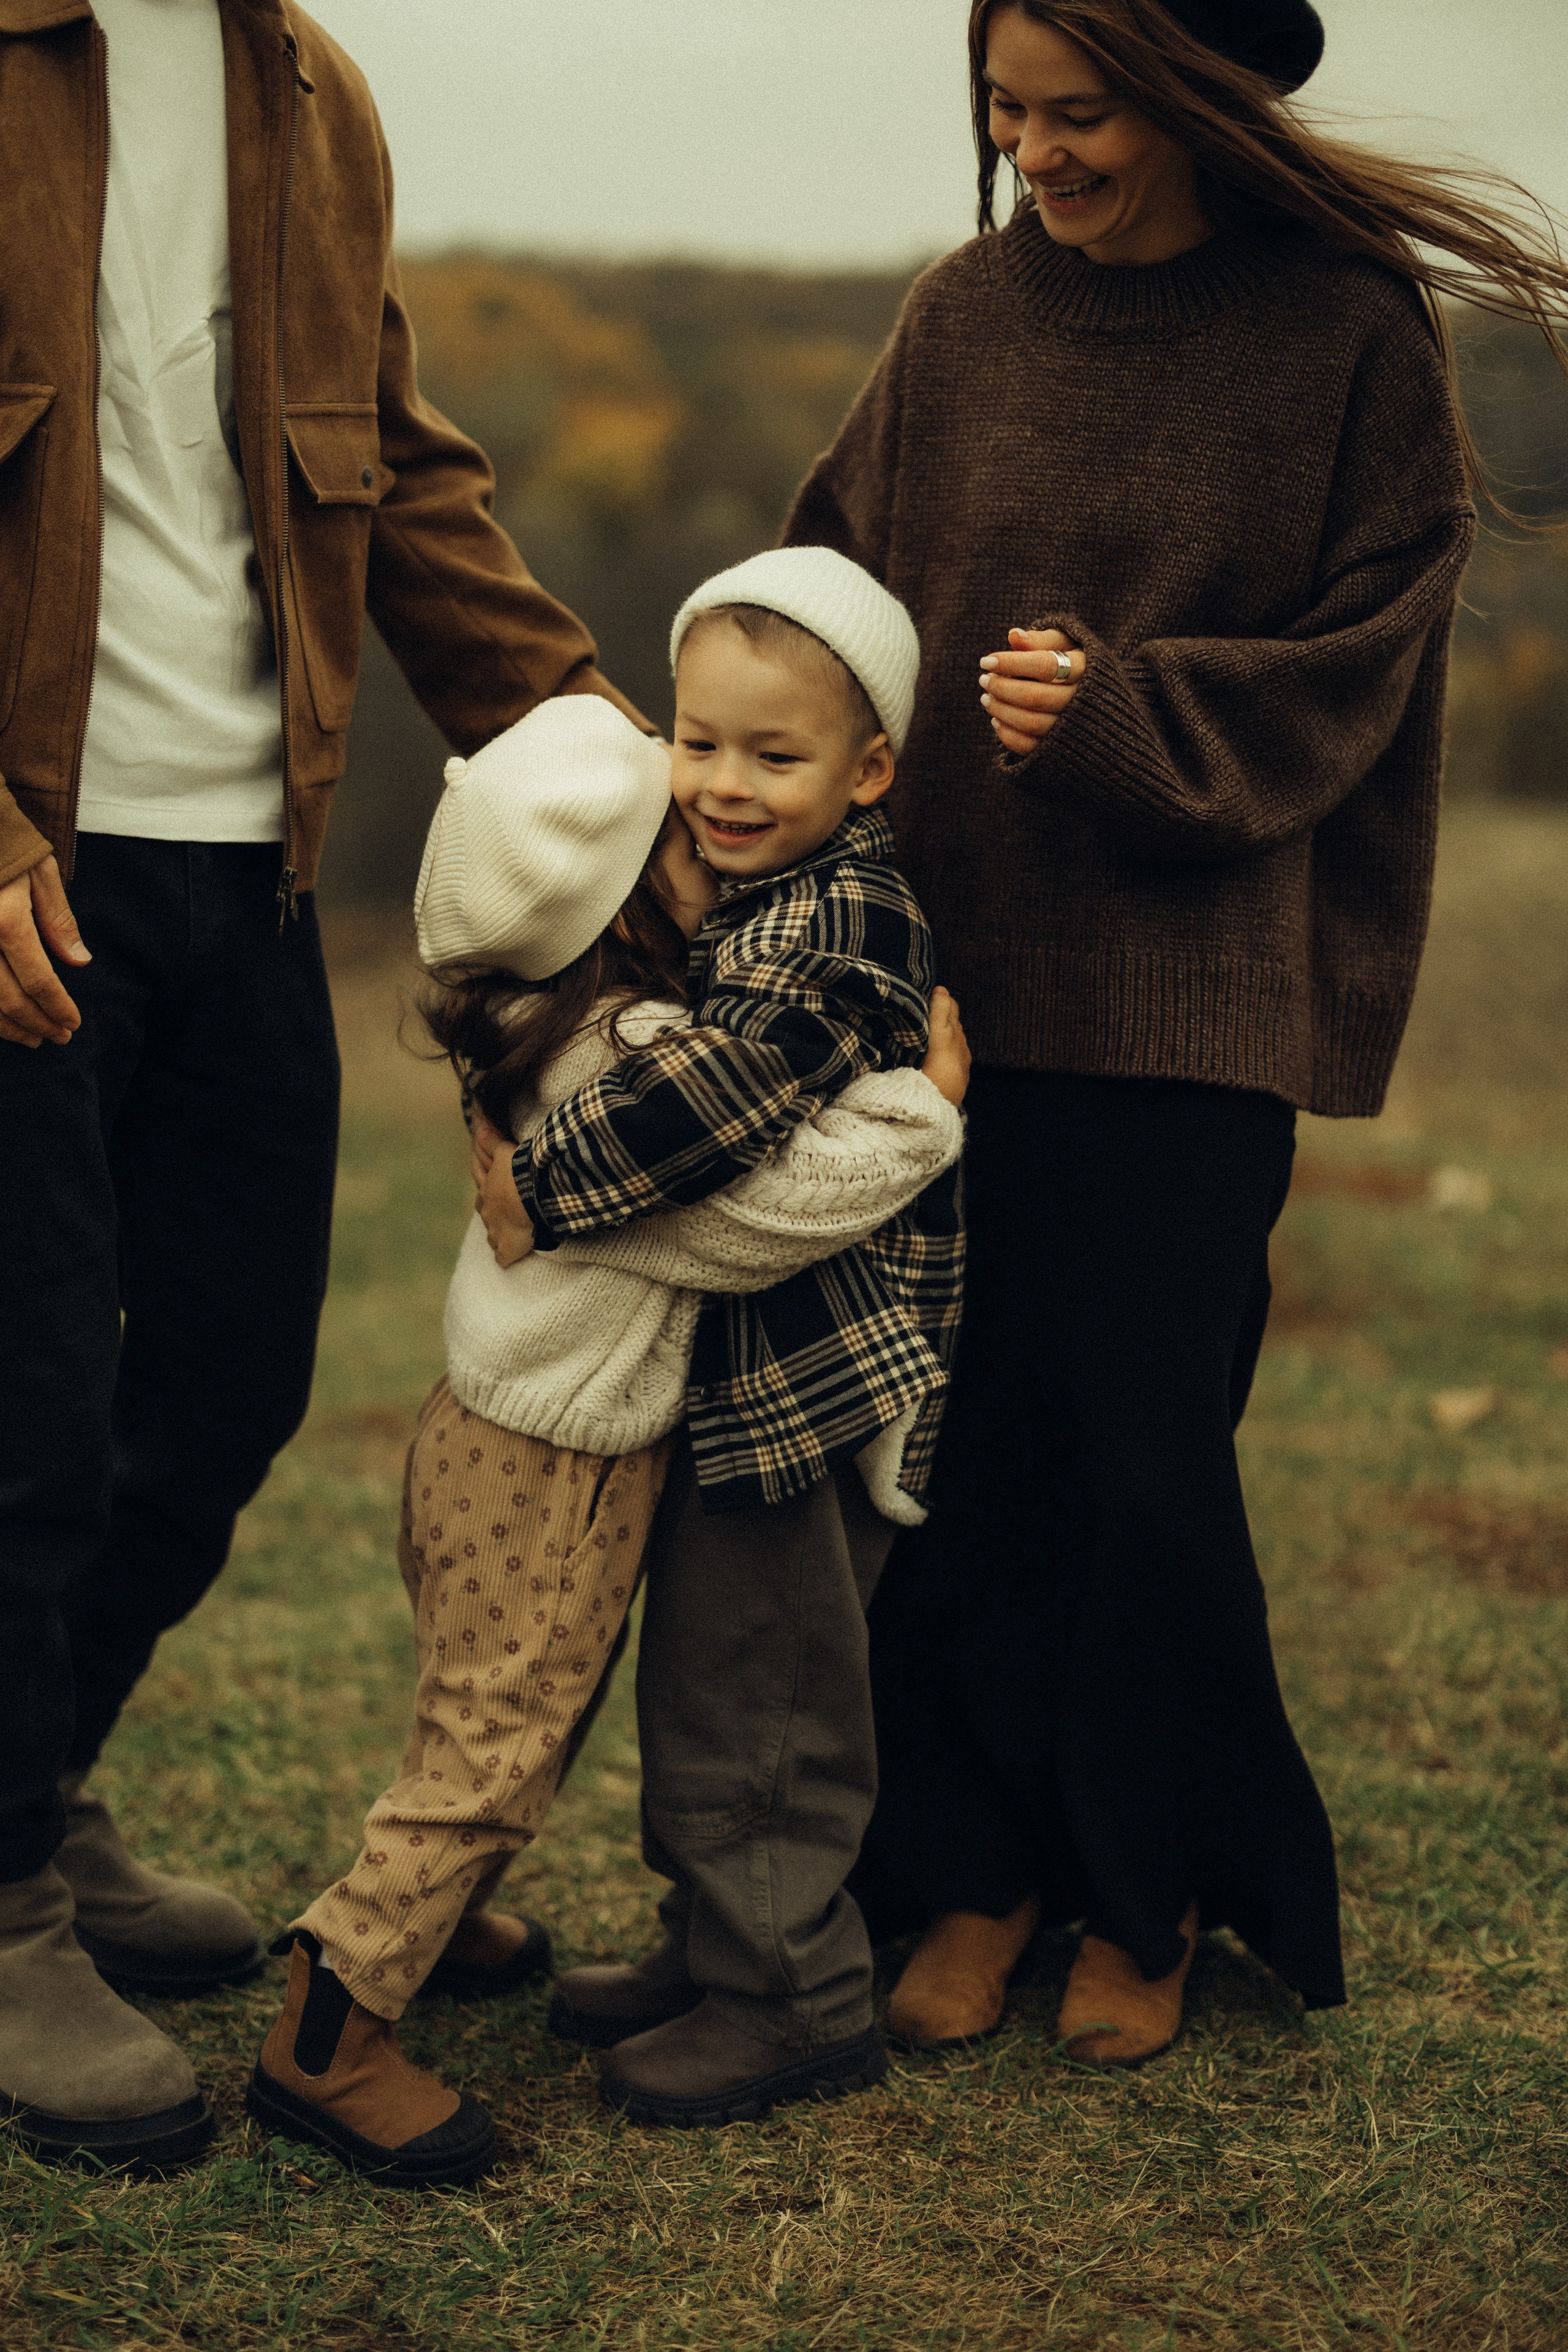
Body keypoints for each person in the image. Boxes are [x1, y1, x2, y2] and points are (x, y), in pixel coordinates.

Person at [782, 0, 1568, 2062]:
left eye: (1084, 115)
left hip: (1194, 994)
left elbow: (1374, 652)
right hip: (940, 981)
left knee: (1142, 1463)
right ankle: (977, 1865)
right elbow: (836, 576)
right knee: (947, 1452)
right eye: (1006, 113)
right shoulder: (963, 315)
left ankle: (1150, 1883)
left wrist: (1132, 717)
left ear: (1204, 101)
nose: (1038, 153)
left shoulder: (1348, 333)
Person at [0, 0, 650, 2173]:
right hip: (24, 865)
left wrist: (617, 780)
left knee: (221, 1381)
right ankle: (3, 1902)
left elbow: (401, 471)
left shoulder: (302, 89)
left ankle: (31, 1765)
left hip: (246, 866)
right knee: (17, 1416)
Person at [243, 694, 968, 2187]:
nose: (709, 812)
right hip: (555, 1472)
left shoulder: (534, 1018)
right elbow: (754, 1224)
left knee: (505, 1713)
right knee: (498, 1744)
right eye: (673, 817)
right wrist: (919, 1117)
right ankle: (329, 2035)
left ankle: (434, 1933)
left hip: (476, 1439)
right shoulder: (628, 1051)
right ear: (624, 891)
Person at [480, 548, 967, 2127]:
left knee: (761, 1695)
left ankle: (795, 2000)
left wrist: (538, 1181)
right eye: (697, 743)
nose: (723, 785)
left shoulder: (839, 923)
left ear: (868, 767)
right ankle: (712, 1938)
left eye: (776, 756)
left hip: (807, 1385)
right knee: (703, 1670)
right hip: (737, 1369)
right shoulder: (751, 884)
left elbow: (706, 1104)